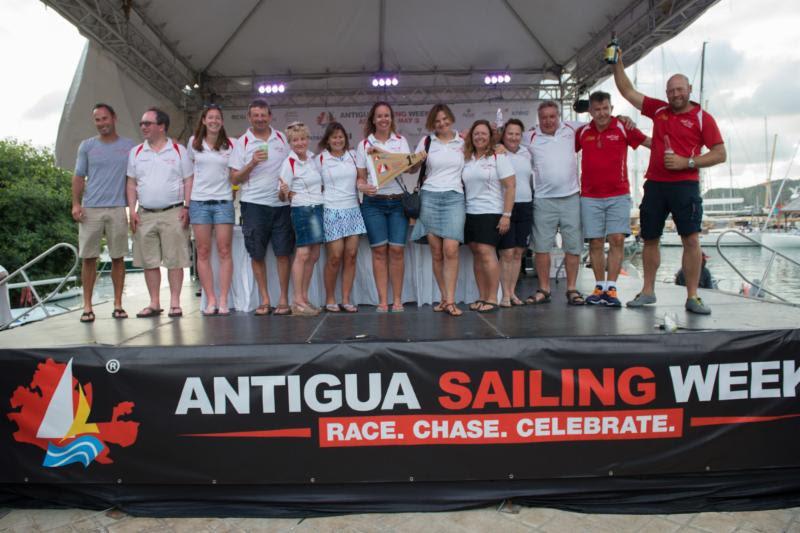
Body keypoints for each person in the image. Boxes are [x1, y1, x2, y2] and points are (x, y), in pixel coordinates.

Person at [612, 49, 726, 314]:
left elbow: (720, 153)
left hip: (685, 185)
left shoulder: (702, 118)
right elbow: (627, 90)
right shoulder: (659, 110)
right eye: (671, 90)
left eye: (679, 89)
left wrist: (688, 162)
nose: (675, 94)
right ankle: (648, 291)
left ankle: (693, 296)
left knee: (691, 240)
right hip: (655, 185)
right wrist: (617, 62)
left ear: (689, 89)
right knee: (650, 238)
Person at [576, 91, 650, 308]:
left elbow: (648, 142)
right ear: (590, 111)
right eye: (597, 109)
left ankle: (612, 289)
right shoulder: (582, 133)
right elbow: (560, 146)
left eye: (605, 108)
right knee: (596, 242)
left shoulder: (622, 127)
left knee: (617, 239)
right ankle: (599, 287)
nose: (601, 113)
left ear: (611, 108)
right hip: (590, 196)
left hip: (618, 194)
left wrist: (677, 151)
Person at [71, 103, 136, 322]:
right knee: (89, 258)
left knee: (118, 257)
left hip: (118, 208)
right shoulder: (87, 146)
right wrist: (75, 204)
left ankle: (118, 304)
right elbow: (79, 177)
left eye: (104, 119)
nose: (101, 123)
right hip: (90, 209)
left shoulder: (129, 146)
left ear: (114, 118)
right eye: (97, 120)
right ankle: (87, 306)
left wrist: (134, 208)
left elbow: (134, 178)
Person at [126, 107, 193, 318]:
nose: (143, 127)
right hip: (145, 213)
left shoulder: (178, 150)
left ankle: (175, 303)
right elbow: (131, 183)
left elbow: (189, 179)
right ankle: (154, 303)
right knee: (149, 261)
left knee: (175, 260)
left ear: (161, 126)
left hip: (172, 211)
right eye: (142, 124)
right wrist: (132, 210)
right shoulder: (136, 152)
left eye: (147, 123)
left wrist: (187, 206)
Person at [229, 99, 292, 316]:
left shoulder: (282, 138)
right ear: (249, 118)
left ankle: (283, 299)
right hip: (253, 205)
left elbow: (290, 168)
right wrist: (252, 163)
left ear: (270, 116)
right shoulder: (242, 142)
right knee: (257, 254)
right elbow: (234, 177)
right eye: (255, 115)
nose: (259, 119)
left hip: (280, 204)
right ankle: (265, 299)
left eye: (263, 115)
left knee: (283, 253)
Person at [523, 101, 585, 306]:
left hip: (571, 198)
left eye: (552, 116)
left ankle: (572, 289)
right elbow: (508, 140)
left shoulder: (572, 128)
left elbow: (598, 121)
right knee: (541, 248)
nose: (548, 121)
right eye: (544, 118)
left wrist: (621, 119)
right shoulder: (529, 136)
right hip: (543, 200)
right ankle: (544, 289)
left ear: (558, 116)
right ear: (538, 119)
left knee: (573, 246)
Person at [410, 103, 465, 317]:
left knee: (451, 249)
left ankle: (450, 300)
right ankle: (444, 298)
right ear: (432, 124)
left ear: (451, 118)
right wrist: (417, 161)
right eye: (437, 121)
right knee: (436, 252)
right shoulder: (426, 141)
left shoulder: (462, 141)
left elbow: (480, 155)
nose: (442, 124)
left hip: (454, 197)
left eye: (445, 119)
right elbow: (413, 168)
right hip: (430, 196)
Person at [355, 101, 411, 313]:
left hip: (397, 203)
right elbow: (360, 178)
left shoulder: (401, 141)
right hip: (373, 204)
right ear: (373, 119)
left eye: (387, 115)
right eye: (379, 116)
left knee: (396, 251)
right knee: (379, 252)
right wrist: (363, 186)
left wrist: (413, 161)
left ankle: (397, 300)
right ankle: (383, 301)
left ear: (391, 118)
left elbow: (408, 168)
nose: (383, 119)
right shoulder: (363, 145)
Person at [462, 120, 516, 313]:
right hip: (470, 213)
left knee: (487, 253)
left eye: (483, 133)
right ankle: (482, 296)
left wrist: (506, 215)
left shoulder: (498, 156)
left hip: (491, 212)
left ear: (490, 136)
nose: (479, 137)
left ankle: (493, 298)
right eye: (476, 133)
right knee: (477, 254)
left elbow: (510, 186)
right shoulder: (467, 158)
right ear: (471, 136)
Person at [187, 103, 234, 316]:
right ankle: (211, 299)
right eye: (210, 117)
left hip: (223, 202)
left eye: (218, 118)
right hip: (199, 203)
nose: (214, 121)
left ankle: (224, 299)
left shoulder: (229, 145)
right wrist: (187, 204)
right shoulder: (193, 143)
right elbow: (188, 176)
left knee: (224, 251)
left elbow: (235, 177)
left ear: (222, 122)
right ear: (204, 121)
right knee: (203, 252)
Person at [317, 122, 366, 313]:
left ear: (345, 138)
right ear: (327, 140)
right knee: (335, 257)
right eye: (334, 137)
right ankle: (330, 298)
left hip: (353, 209)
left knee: (351, 256)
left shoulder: (354, 156)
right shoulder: (320, 159)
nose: (338, 140)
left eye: (341, 136)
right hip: (331, 210)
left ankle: (346, 299)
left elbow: (362, 177)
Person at [278, 122, 324, 317]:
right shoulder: (288, 163)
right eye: (295, 140)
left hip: (318, 207)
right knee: (303, 254)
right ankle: (297, 301)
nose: (300, 143)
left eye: (302, 138)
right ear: (290, 142)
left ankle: (303, 298)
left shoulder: (314, 159)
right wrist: (284, 192)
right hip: (302, 209)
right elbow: (281, 195)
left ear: (307, 139)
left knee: (314, 255)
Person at [497, 118, 533, 308]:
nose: (513, 137)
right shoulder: (498, 152)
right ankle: (503, 294)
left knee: (519, 252)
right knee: (507, 253)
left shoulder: (527, 152)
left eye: (517, 134)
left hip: (526, 205)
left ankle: (512, 293)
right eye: (510, 133)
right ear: (504, 135)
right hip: (506, 208)